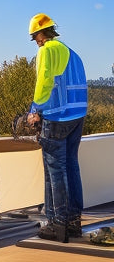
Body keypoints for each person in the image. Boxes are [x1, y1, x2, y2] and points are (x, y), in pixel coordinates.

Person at [26, 13, 87, 242]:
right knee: (72, 166)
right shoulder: (74, 54)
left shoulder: (47, 50)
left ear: (41, 34)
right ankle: (73, 222)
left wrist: (34, 109)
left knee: (55, 171)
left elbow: (44, 81)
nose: (37, 42)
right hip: (77, 116)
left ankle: (57, 224)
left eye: (36, 37)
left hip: (56, 117)